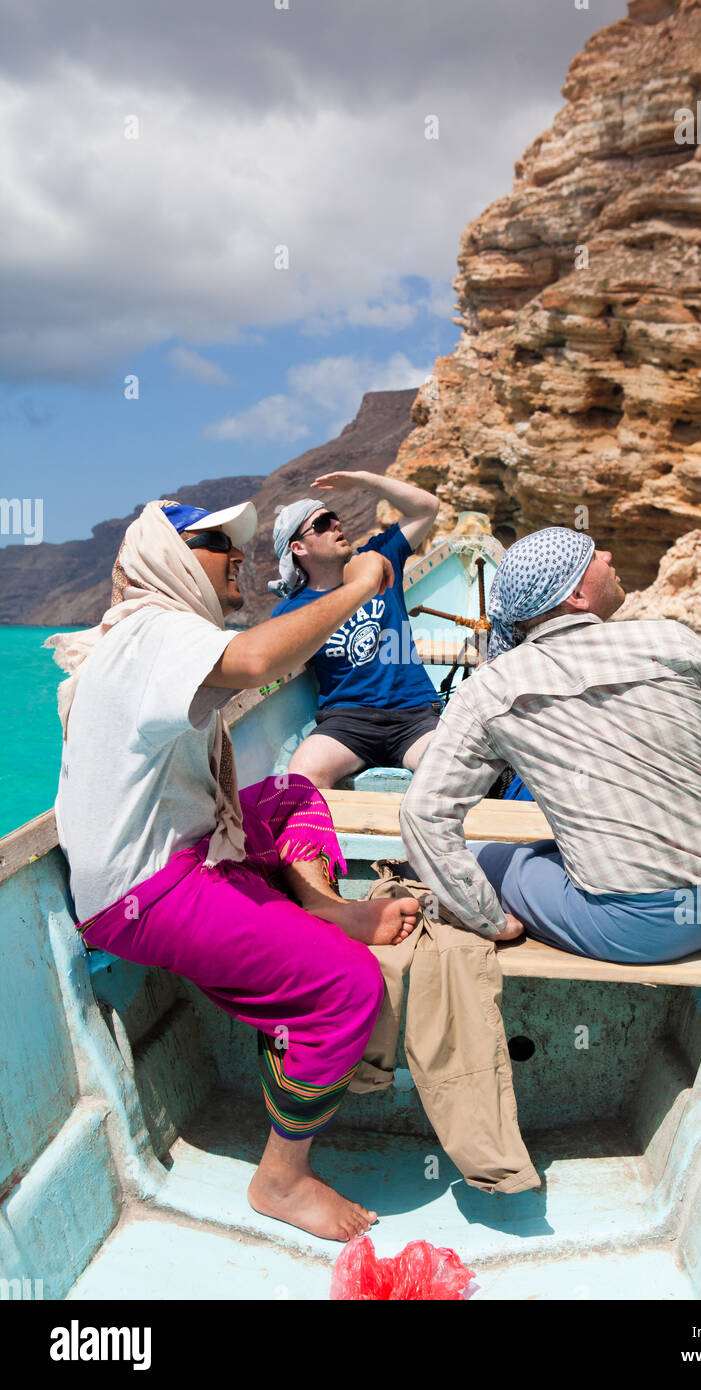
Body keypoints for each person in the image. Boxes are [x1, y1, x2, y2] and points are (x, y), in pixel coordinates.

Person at [48, 498, 420, 1244]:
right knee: (348, 986)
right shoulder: (155, 629)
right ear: (173, 559)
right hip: (144, 894)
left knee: (290, 793)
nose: (238, 558)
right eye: (218, 544)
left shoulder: (140, 633)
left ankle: (322, 908)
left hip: (173, 854)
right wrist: (362, 586)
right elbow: (257, 659)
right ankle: (280, 1179)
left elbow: (246, 663)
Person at [399, 527, 701, 961]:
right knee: (548, 853)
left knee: (450, 861)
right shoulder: (675, 642)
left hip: (625, 927)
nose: (607, 552)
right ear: (577, 596)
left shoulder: (490, 687)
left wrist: (490, 921)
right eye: (592, 555)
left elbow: (423, 815)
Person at [269, 470, 441, 787]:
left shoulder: (378, 560)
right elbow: (270, 662)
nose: (336, 525)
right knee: (302, 777)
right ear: (298, 548)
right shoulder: (290, 611)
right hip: (347, 721)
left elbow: (426, 508)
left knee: (455, 769)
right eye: (321, 525)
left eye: (334, 518)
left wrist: (365, 481)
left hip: (414, 714)